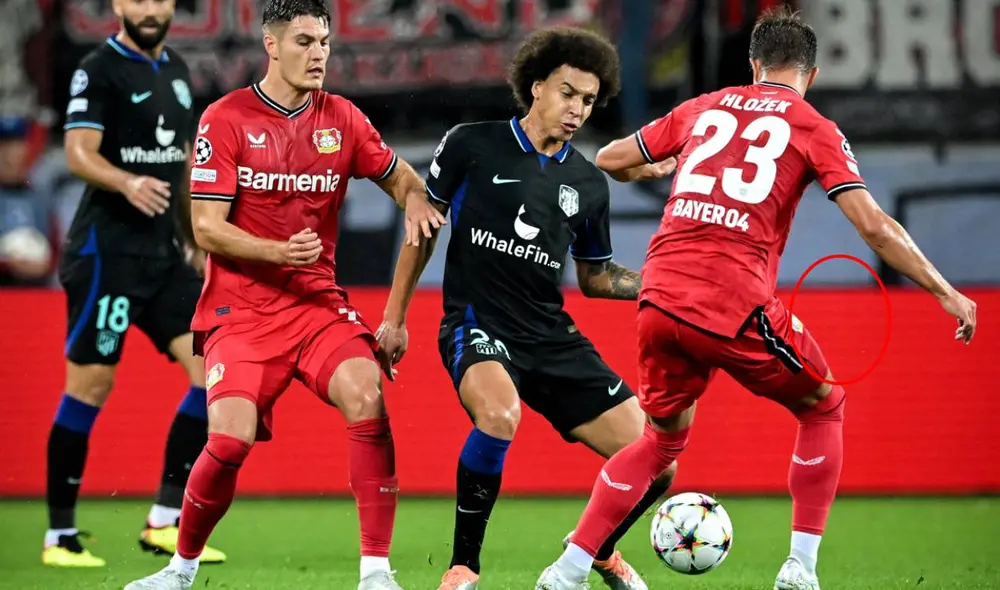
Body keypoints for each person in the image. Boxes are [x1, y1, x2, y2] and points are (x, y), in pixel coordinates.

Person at [536, 7, 978, 590]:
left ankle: (566, 571)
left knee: (661, 439)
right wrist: (944, 290)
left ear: (753, 65)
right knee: (824, 404)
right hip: (732, 299)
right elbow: (872, 225)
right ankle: (800, 569)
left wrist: (660, 168)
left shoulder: (705, 106)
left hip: (659, 295)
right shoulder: (812, 125)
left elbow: (612, 156)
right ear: (811, 75)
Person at [124, 0, 445, 589]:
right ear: (271, 45)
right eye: (303, 41)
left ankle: (376, 572)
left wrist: (416, 196)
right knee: (229, 438)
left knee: (366, 394)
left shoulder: (343, 119)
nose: (318, 52)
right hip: (239, 310)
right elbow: (206, 227)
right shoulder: (224, 119)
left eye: (323, 41)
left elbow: (397, 174)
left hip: (316, 305)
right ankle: (180, 568)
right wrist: (277, 252)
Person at [375, 27, 677, 590]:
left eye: (588, 100)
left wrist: (658, 282)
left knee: (658, 462)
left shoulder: (588, 183)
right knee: (499, 415)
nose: (577, 110)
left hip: (550, 335)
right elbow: (421, 234)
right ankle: (464, 566)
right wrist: (395, 317)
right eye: (567, 93)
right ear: (536, 88)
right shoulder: (470, 144)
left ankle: (595, 551)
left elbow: (596, 277)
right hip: (477, 322)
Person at [45, 0, 227, 567]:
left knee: (210, 374)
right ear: (119, 5)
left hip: (163, 256)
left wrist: (195, 239)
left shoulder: (175, 68)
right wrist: (125, 181)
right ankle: (60, 538)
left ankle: (164, 522)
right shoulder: (98, 68)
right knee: (92, 385)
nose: (149, 9)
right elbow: (78, 153)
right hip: (107, 255)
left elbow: (180, 170)